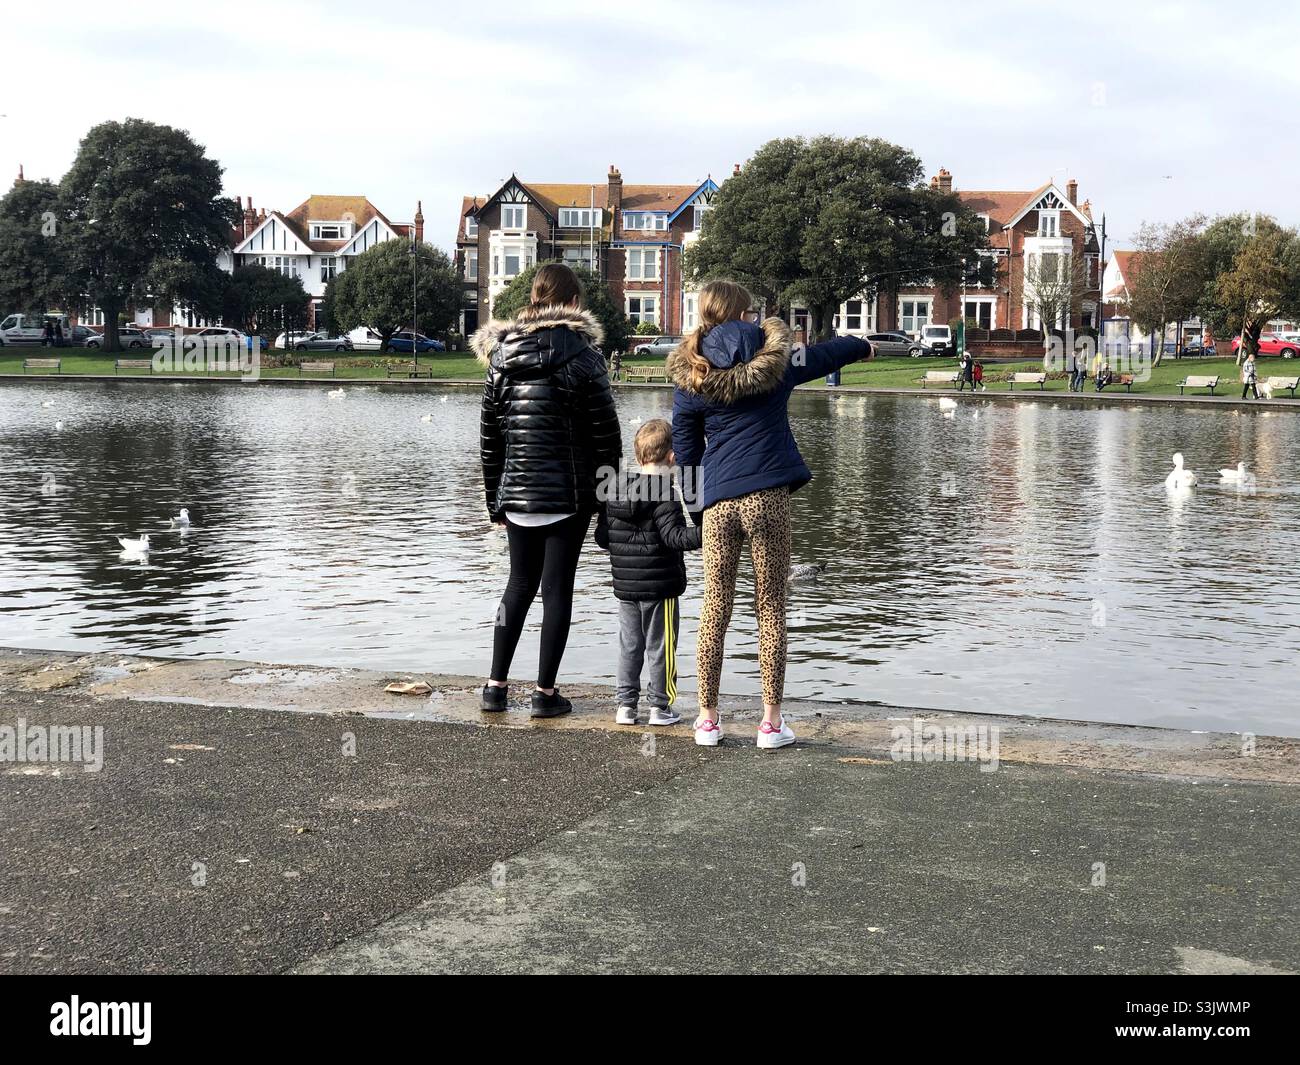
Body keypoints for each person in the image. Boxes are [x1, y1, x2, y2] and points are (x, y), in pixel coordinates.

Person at [668, 280, 870, 750]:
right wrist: (860, 344)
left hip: (717, 500)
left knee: (715, 608)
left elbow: (685, 450)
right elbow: (821, 356)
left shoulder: (691, 373)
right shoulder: (774, 362)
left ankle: (707, 720)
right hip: (767, 498)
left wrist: (697, 511)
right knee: (771, 605)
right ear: (744, 312)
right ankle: (770, 723)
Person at [473, 263, 622, 718]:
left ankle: (495, 686)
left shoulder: (501, 356)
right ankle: (544, 693)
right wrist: (607, 498)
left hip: (517, 492)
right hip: (569, 495)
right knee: (557, 590)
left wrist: (493, 498)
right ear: (573, 303)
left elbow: (489, 437)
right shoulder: (584, 357)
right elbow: (606, 436)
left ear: (535, 299)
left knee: (517, 585)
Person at [595, 419, 701, 727]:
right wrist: (711, 531)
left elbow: (603, 538)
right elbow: (675, 538)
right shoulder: (665, 493)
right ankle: (660, 707)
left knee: (630, 645)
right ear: (671, 458)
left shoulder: (614, 488)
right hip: (661, 586)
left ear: (639, 455)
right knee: (661, 646)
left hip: (626, 587)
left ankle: (625, 707)